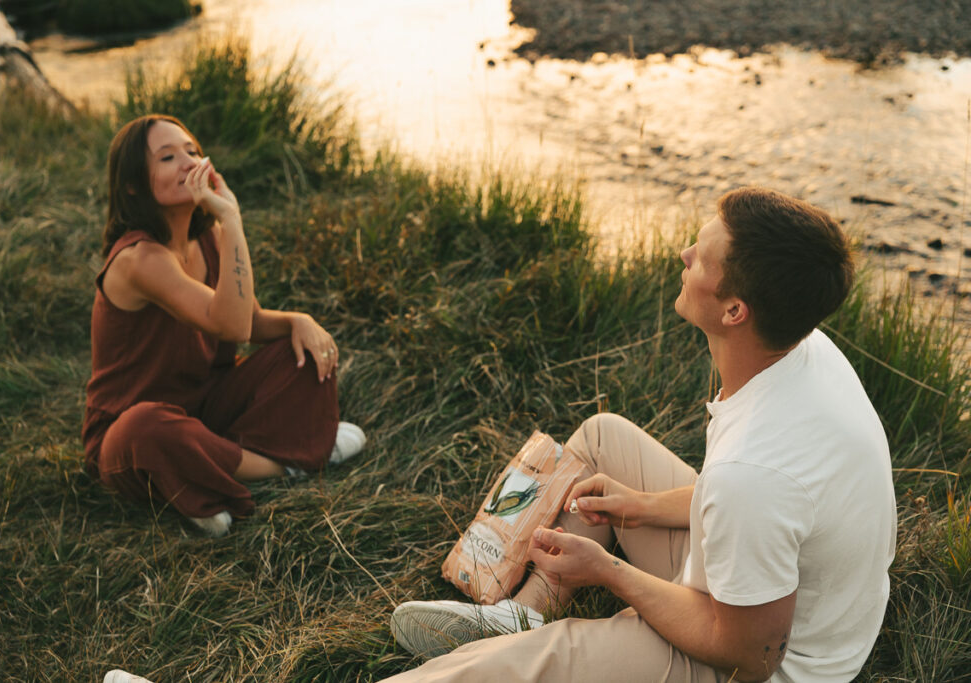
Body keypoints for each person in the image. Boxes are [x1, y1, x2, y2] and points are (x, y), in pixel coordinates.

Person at [385, 188, 897, 682]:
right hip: (757, 585)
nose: (684, 252)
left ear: (734, 311)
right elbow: (764, 506)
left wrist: (609, 570)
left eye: (700, 258)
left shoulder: (752, 476)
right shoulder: (803, 347)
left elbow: (749, 655)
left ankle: (513, 649)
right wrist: (638, 505)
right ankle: (521, 612)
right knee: (602, 439)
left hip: (761, 662)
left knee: (525, 663)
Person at [82, 114, 365, 538]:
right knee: (148, 427)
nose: (188, 163)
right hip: (132, 435)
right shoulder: (140, 260)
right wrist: (232, 219)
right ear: (133, 185)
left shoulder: (208, 237)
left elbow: (245, 323)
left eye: (193, 151)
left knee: (301, 353)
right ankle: (287, 464)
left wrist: (297, 322)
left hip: (208, 405)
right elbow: (228, 323)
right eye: (167, 157)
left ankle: (195, 479)